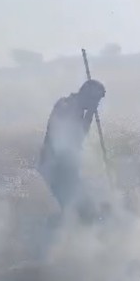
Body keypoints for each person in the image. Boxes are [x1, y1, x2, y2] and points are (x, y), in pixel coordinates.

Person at [37, 79, 106, 218]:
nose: (96, 105)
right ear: (87, 95)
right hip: (56, 168)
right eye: (95, 100)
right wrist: (90, 113)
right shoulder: (66, 106)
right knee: (79, 209)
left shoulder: (75, 107)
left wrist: (90, 112)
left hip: (64, 168)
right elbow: (76, 137)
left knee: (86, 208)